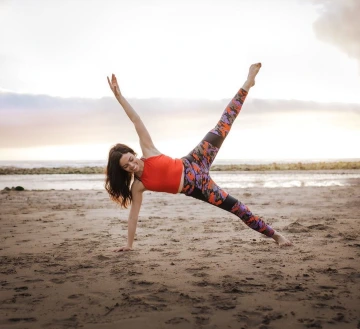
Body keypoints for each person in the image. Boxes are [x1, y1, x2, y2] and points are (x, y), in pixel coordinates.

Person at [106, 63, 292, 251]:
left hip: (196, 160)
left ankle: (247, 83)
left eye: (130, 159)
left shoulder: (148, 151)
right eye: (126, 167)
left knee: (223, 124)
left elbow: (136, 120)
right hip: (200, 187)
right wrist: (128, 245)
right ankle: (275, 235)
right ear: (123, 171)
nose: (132, 165)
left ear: (133, 153)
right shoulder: (138, 186)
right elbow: (133, 216)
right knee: (238, 209)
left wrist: (119, 98)